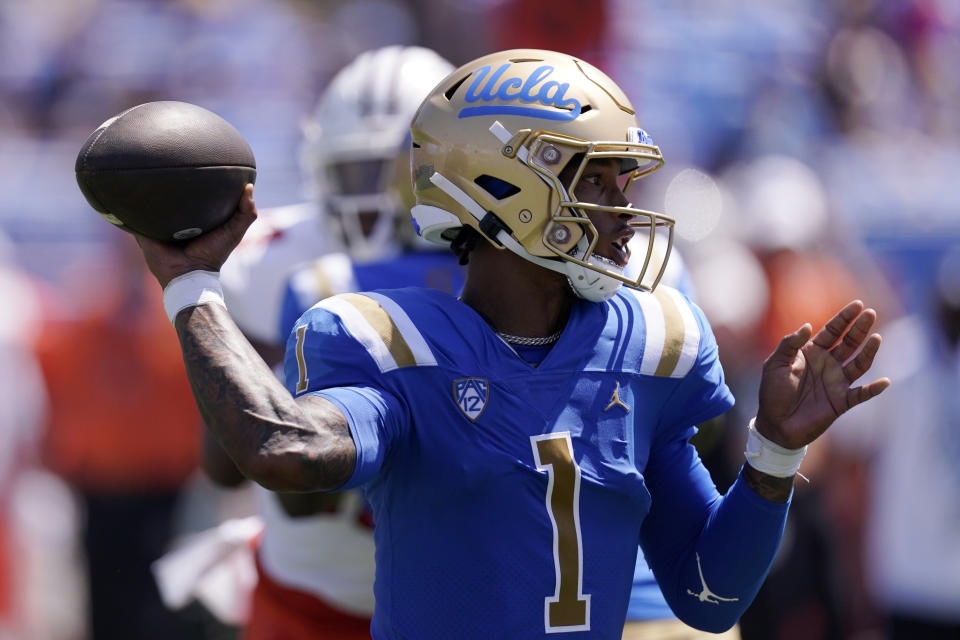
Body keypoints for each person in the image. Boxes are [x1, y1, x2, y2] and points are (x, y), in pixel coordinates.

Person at [133, 49, 889, 638]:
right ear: (512, 191)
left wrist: (774, 455)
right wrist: (191, 290)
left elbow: (706, 596)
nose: (628, 209)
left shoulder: (651, 342)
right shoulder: (395, 345)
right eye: (603, 181)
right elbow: (284, 452)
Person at [206, 45, 460, 639]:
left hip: (460, 596)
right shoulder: (268, 262)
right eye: (355, 172)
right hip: (314, 595)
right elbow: (228, 462)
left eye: (390, 174)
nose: (372, 197)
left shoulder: (492, 258)